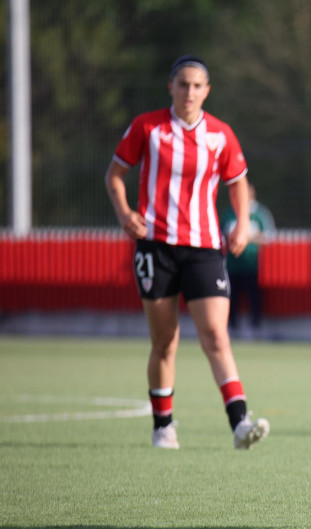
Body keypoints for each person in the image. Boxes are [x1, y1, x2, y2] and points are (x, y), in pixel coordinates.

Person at [104, 54, 270, 450]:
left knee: (216, 335)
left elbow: (237, 182)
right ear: (171, 87)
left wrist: (243, 225)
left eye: (197, 86)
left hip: (203, 249)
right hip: (156, 246)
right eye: (183, 84)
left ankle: (239, 423)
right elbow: (115, 174)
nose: (190, 92)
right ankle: (163, 425)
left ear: (207, 91)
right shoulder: (148, 127)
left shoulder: (220, 134)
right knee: (165, 341)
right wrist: (125, 212)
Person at [221, 183, 276, 335]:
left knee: (254, 297)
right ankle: (232, 327)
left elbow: (269, 236)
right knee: (232, 298)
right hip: (232, 265)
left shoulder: (259, 213)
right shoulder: (229, 213)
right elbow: (220, 234)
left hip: (252, 265)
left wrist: (249, 237)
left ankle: (256, 327)